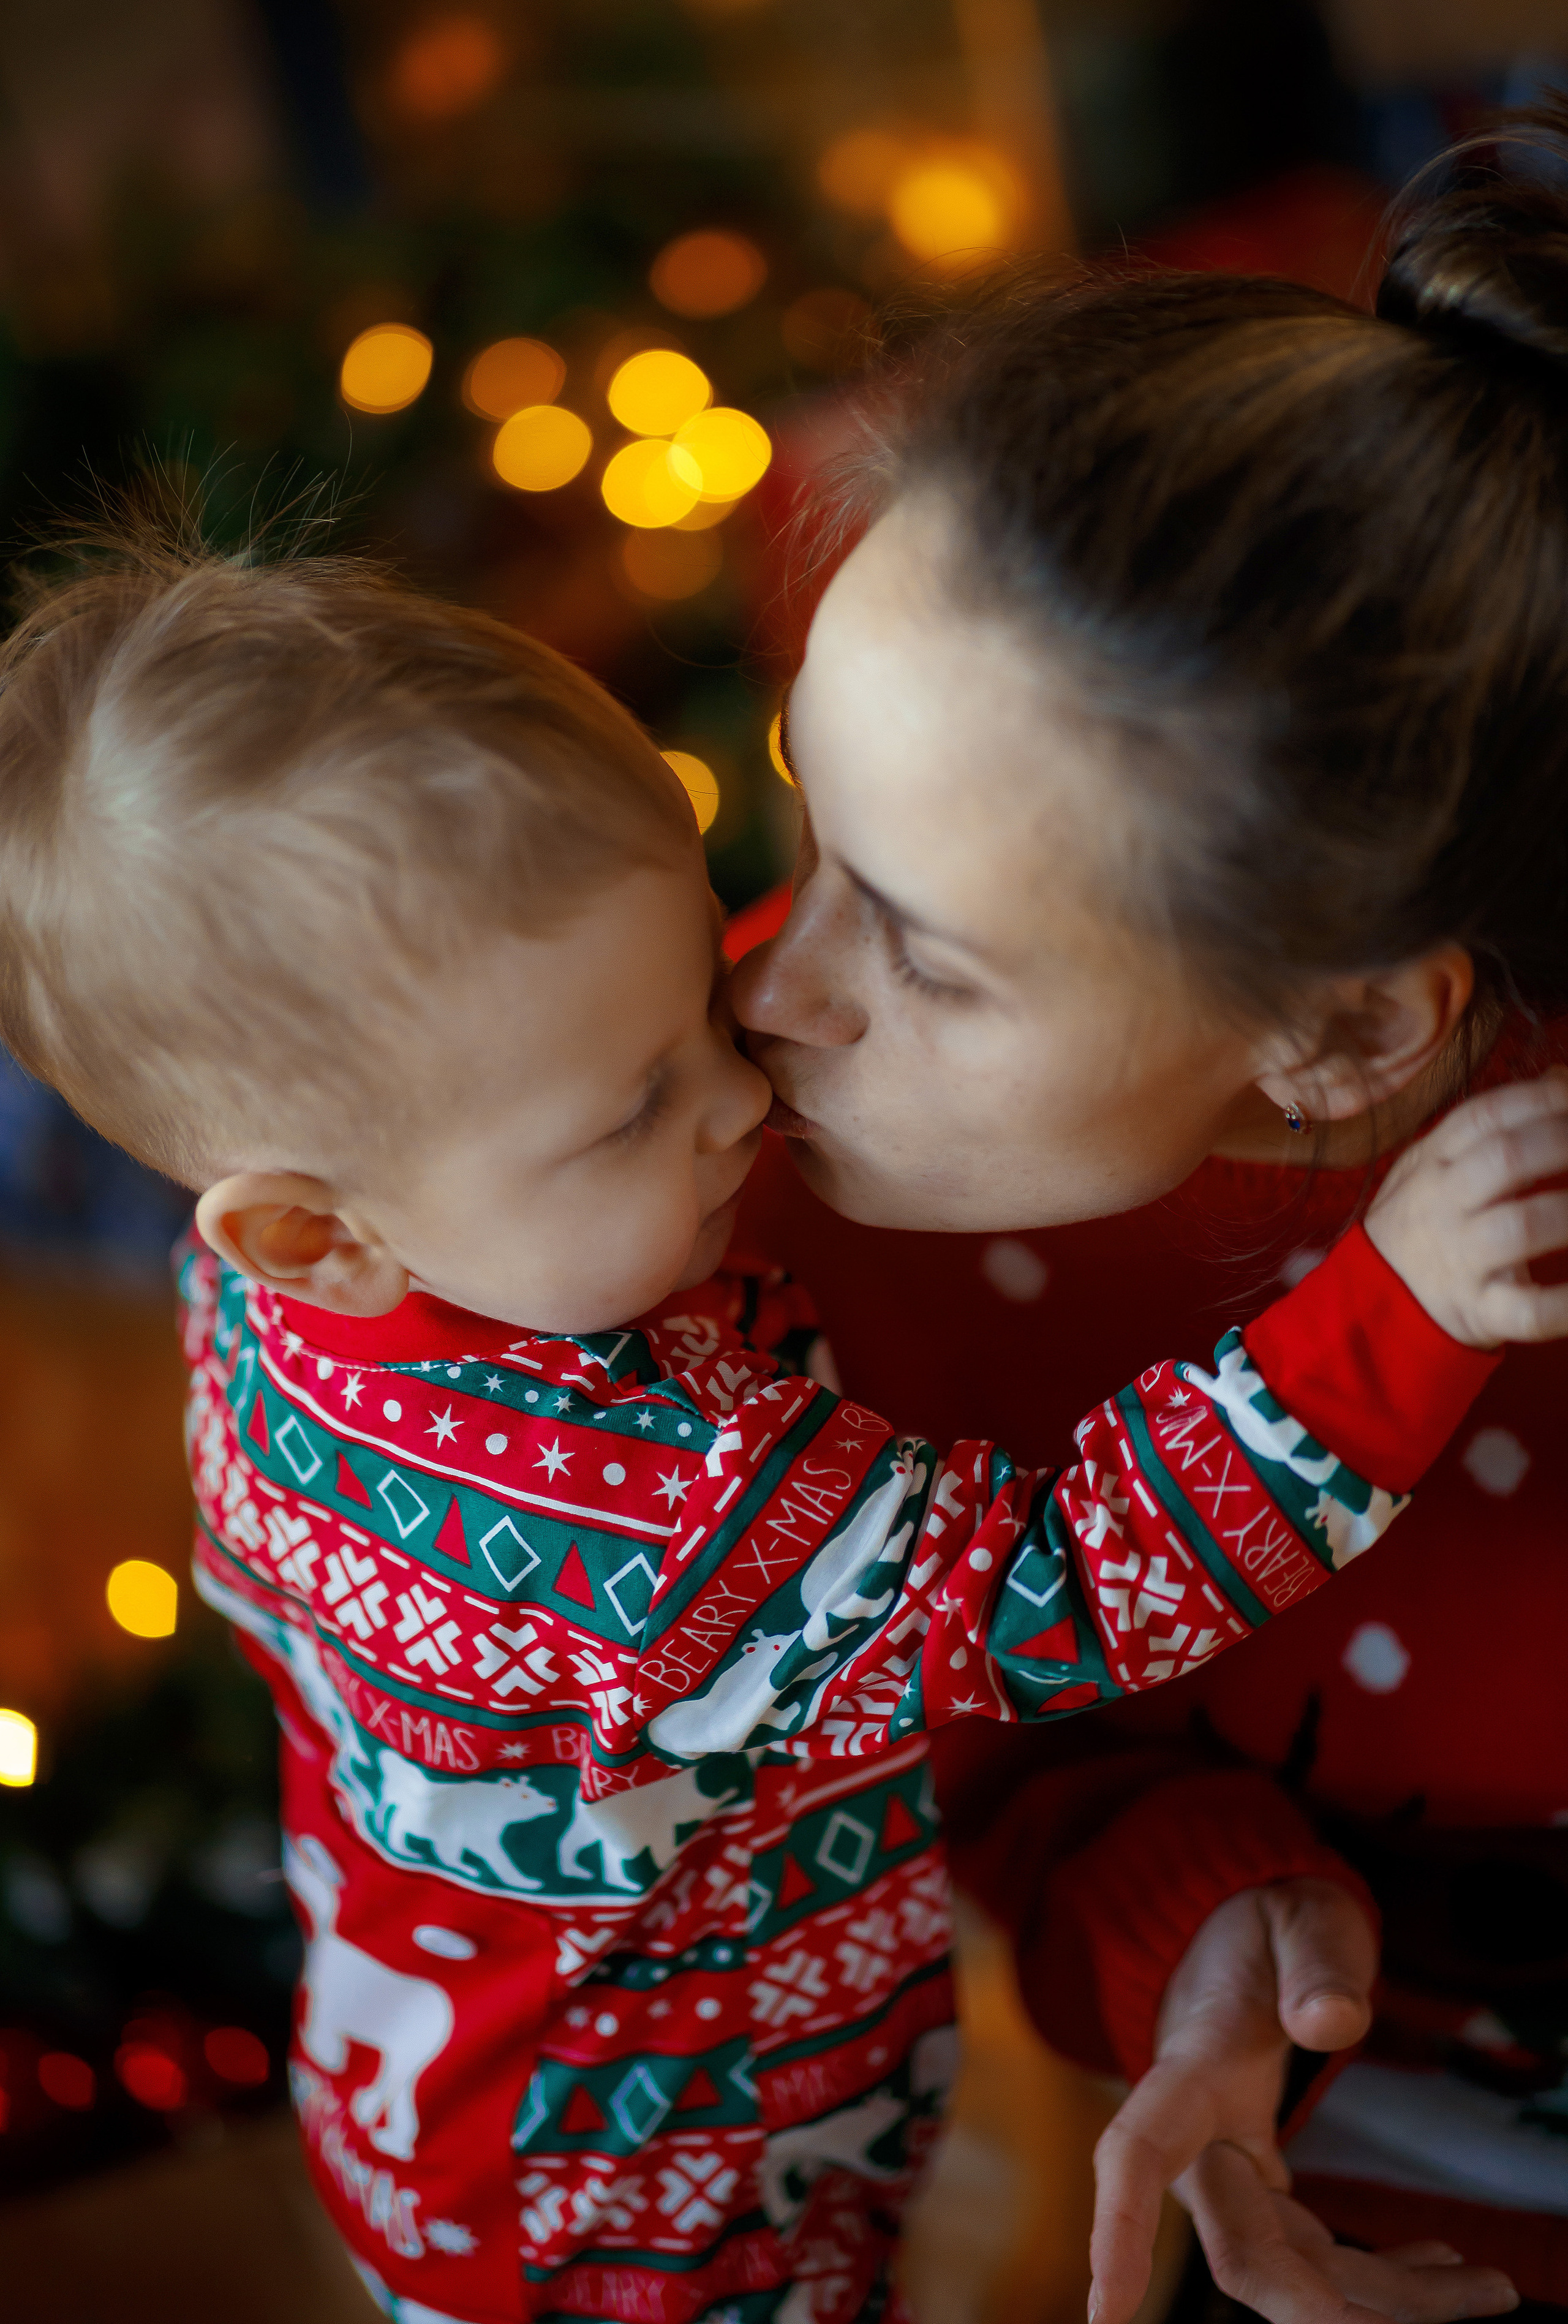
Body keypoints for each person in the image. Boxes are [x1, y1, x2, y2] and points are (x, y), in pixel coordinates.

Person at [0, 539, 1552, 2324]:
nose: (749, 1077)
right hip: (652, 2211)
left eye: (693, 990)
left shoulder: (351, 1264)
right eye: (638, 1099)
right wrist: (1403, 1301)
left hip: (459, 2116)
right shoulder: (639, 1516)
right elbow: (1073, 1580)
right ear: (313, 1233)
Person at [729, 105, 1568, 2324]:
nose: (768, 990)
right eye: (808, 819)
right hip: (1338, 2136)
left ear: (1344, 1033)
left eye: (920, 946)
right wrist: (1207, 1922)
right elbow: (1004, 1749)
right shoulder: (756, 1212)